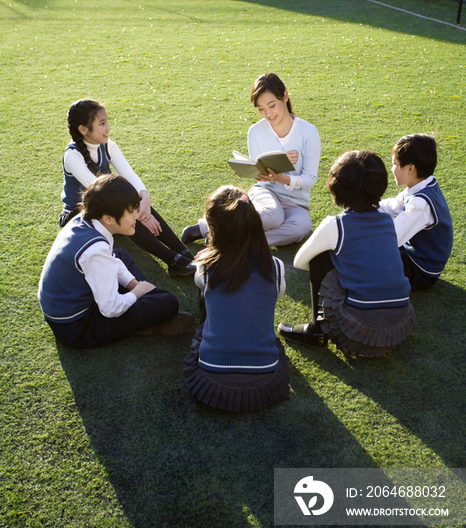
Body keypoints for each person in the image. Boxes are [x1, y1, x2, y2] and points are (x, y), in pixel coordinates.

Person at [279, 151, 415, 358]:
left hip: (360, 326)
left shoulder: (336, 224)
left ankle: (315, 331)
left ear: (337, 188)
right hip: (400, 323)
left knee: (320, 256)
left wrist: (341, 265)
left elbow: (300, 262)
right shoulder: (388, 221)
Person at [39, 174, 194, 349]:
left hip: (69, 304)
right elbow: (110, 308)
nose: (137, 215)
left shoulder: (87, 220)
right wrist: (138, 292)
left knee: (120, 256)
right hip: (77, 326)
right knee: (167, 302)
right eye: (131, 211)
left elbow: (112, 261)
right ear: (108, 218)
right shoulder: (95, 250)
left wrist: (134, 284)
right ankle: (150, 320)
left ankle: (147, 310)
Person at [182, 73, 321, 247]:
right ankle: (212, 226)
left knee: (301, 228)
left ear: (285, 96)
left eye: (272, 105)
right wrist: (266, 174)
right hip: (266, 193)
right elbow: (258, 172)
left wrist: (282, 178)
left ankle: (227, 237)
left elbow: (310, 178)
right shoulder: (255, 131)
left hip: (296, 204)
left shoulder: (308, 132)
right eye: (261, 109)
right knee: (273, 217)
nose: (268, 113)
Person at [183, 185, 289, 412]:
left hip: (211, 380)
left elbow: (199, 285)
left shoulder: (205, 268)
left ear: (214, 230)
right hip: (266, 380)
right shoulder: (276, 267)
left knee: (206, 300)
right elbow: (276, 295)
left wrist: (207, 257)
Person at [60, 98, 195, 277]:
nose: (108, 127)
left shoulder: (108, 145)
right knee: (125, 209)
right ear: (83, 130)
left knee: (135, 204)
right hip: (79, 216)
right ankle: (173, 261)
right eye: (102, 123)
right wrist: (138, 214)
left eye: (107, 121)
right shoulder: (72, 156)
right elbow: (100, 193)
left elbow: (130, 175)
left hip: (105, 209)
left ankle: (187, 255)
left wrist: (144, 198)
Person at [378, 134, 453, 291]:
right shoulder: (423, 184)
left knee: (370, 255)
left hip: (421, 270)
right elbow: (393, 206)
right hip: (413, 253)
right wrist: (364, 206)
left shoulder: (420, 204)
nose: (391, 169)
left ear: (410, 169)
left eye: (395, 164)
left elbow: (390, 239)